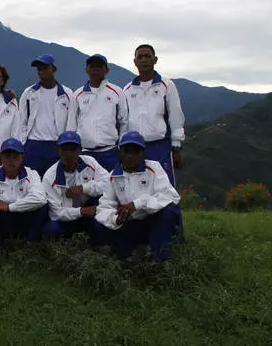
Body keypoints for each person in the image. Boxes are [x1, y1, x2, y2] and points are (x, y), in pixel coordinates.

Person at [94, 131, 183, 262]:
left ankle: (160, 260)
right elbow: (105, 206)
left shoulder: (153, 168)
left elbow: (170, 195)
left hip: (152, 221)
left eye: (135, 151)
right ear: (120, 152)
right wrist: (116, 218)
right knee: (99, 222)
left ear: (142, 153)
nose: (130, 156)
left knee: (168, 212)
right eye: (126, 151)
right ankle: (128, 252)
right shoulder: (113, 176)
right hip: (129, 224)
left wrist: (138, 204)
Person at [123, 44, 185, 185]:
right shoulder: (127, 89)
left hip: (160, 146)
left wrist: (176, 147)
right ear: (135, 61)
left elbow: (175, 116)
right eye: (140, 57)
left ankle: (169, 208)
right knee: (138, 185)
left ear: (155, 59)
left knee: (164, 186)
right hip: (135, 147)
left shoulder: (166, 85)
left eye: (147, 56)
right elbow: (124, 121)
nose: (144, 60)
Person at [42, 131, 109, 240]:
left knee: (104, 206)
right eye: (64, 149)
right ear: (58, 150)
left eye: (72, 149)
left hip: (87, 211)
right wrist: (82, 211)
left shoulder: (90, 162)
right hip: (66, 219)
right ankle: (64, 248)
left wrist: (84, 188)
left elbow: (108, 184)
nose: (68, 154)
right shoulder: (49, 177)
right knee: (51, 229)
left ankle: (100, 243)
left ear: (80, 150)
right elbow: (56, 213)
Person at [67, 54, 128, 171]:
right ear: (86, 70)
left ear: (107, 70)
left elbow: (124, 121)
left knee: (111, 187)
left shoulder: (116, 92)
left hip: (110, 152)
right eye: (92, 66)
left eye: (99, 66)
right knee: (86, 188)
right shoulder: (78, 94)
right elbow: (71, 124)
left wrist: (122, 147)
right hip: (84, 152)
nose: (95, 69)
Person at [19, 54, 72, 177]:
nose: (41, 71)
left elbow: (71, 122)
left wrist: (67, 145)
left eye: (45, 67)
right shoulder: (29, 93)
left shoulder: (67, 94)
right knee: (33, 183)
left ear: (54, 69)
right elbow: (22, 122)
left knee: (56, 183)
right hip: (33, 145)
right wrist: (23, 144)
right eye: (39, 68)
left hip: (57, 145)